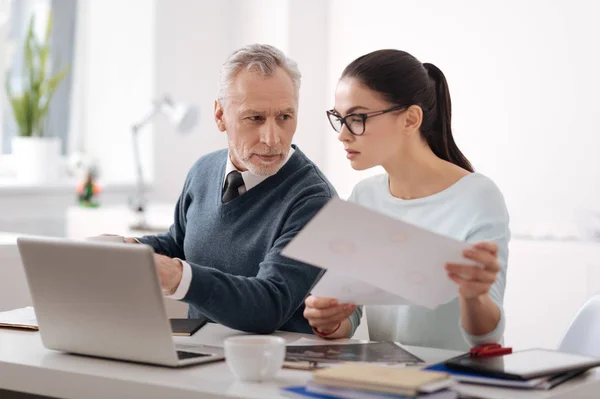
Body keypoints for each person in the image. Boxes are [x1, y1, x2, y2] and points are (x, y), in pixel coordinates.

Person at [303, 49, 510, 351]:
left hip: (459, 383)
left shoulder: (478, 197)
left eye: (357, 118)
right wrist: (328, 318)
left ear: (411, 119)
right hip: (389, 381)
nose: (343, 135)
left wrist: (474, 297)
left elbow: (486, 339)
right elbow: (350, 314)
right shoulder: (365, 196)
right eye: (339, 119)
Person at [124, 44, 336, 334]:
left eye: (285, 117)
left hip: (273, 367)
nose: (273, 138)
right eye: (255, 118)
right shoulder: (202, 171)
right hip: (197, 353)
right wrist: (127, 250)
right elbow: (179, 243)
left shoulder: (316, 200)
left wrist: (177, 276)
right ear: (220, 115)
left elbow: (269, 304)